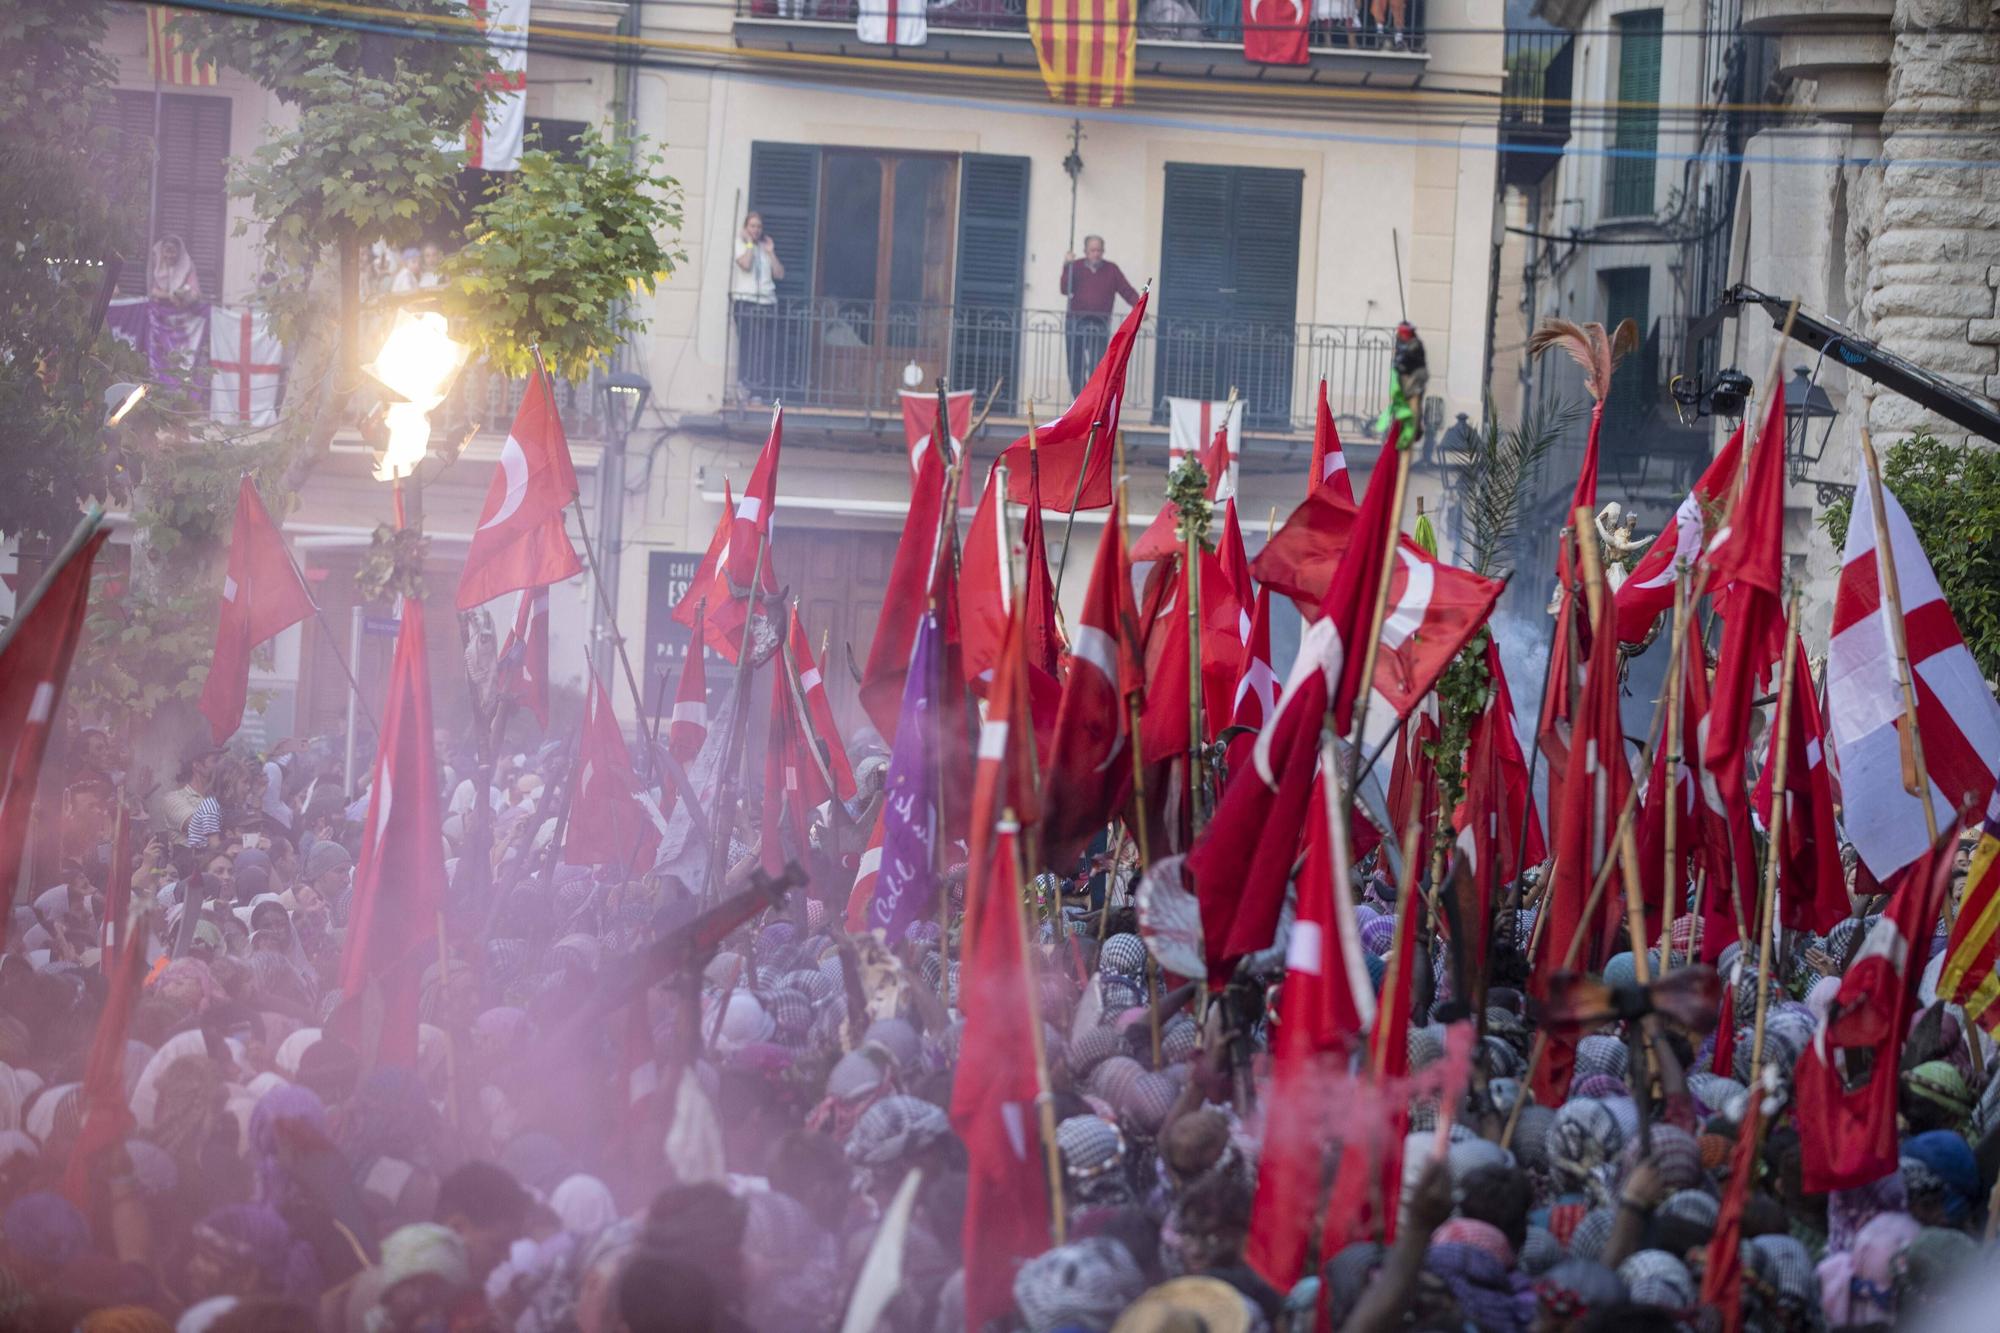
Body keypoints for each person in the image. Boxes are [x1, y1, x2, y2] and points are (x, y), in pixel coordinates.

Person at [1059, 234, 1140, 399]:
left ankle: (1093, 402)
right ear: (1085, 251)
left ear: (1103, 251)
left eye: (1099, 250)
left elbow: (1126, 290)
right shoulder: (1076, 266)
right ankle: (1079, 401)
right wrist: (1067, 265)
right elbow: (1065, 289)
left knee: (1098, 367)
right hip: (1075, 322)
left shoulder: (1112, 269)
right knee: (1075, 365)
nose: (1096, 253)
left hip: (1100, 323)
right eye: (1092, 250)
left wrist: (1139, 306)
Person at [731, 211, 784, 405]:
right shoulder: (741, 244)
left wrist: (770, 252)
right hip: (746, 301)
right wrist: (749, 245)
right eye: (752, 226)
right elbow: (745, 265)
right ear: (746, 228)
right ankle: (744, 386)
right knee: (747, 345)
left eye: (759, 227)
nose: (756, 230)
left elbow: (779, 274)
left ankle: (758, 391)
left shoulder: (765, 248)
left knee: (764, 347)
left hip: (767, 302)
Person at [149, 235, 202, 307]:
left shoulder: (187, 267)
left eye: (173, 252)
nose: (169, 256)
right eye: (166, 252)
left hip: (182, 308)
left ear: (179, 252)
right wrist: (170, 296)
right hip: (160, 310)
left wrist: (184, 300)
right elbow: (154, 291)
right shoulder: (159, 266)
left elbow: (195, 292)